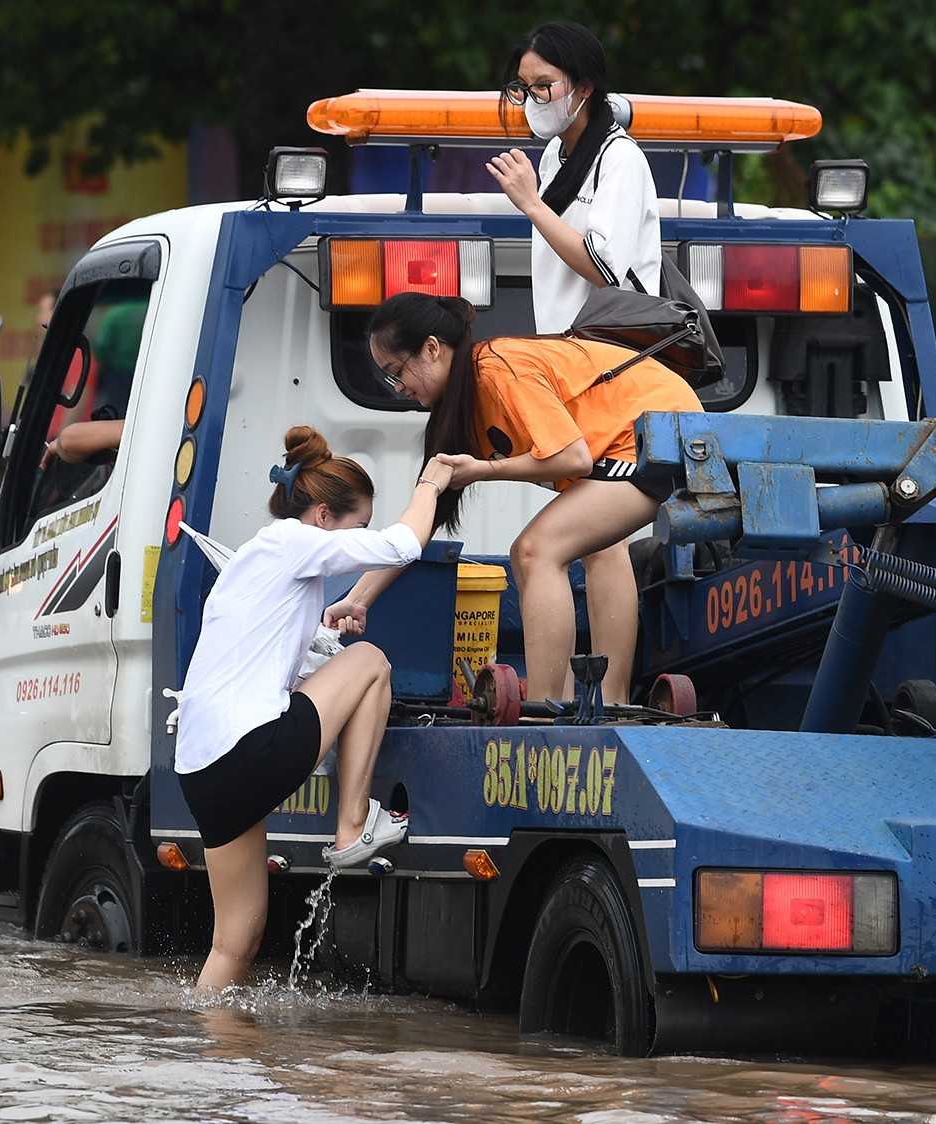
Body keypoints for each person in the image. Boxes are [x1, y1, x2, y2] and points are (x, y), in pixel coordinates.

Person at [176, 426, 455, 990]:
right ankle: (352, 827)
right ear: (324, 516)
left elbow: (271, 656)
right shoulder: (297, 542)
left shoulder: (254, 560)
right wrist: (432, 482)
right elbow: (404, 545)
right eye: (357, 526)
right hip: (249, 748)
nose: (360, 538)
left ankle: (205, 1060)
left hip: (201, 771)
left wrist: (332, 620)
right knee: (373, 660)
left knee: (234, 941)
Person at [330, 292, 701, 707]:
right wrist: (357, 600)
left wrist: (483, 469)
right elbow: (419, 525)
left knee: (533, 551)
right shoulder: (455, 412)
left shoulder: (495, 369)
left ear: (432, 349)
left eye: (396, 372)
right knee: (601, 546)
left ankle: (547, 707)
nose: (398, 388)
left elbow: (571, 456)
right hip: (637, 439)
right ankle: (595, 705)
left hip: (661, 429)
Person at [489, 20, 660, 333]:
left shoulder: (620, 159)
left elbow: (603, 270)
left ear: (585, 87)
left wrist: (531, 203)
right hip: (562, 349)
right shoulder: (554, 154)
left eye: (543, 86)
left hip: (610, 356)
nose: (531, 100)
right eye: (523, 88)